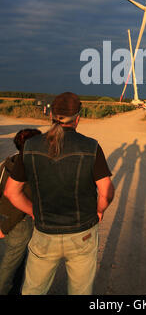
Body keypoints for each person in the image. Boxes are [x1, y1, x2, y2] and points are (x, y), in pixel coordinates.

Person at [5, 91, 114, 295]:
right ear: (78, 118)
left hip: (45, 232)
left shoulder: (30, 146)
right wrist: (99, 210)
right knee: (80, 291)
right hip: (82, 232)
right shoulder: (91, 146)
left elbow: (11, 192)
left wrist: (34, 212)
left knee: (33, 290)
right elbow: (105, 190)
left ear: (51, 115)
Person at [0, 128, 41, 294]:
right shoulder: (29, 168)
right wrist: (5, 227)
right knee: (8, 271)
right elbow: (18, 204)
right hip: (17, 224)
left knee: (11, 265)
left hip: (5, 218)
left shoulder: (10, 161)